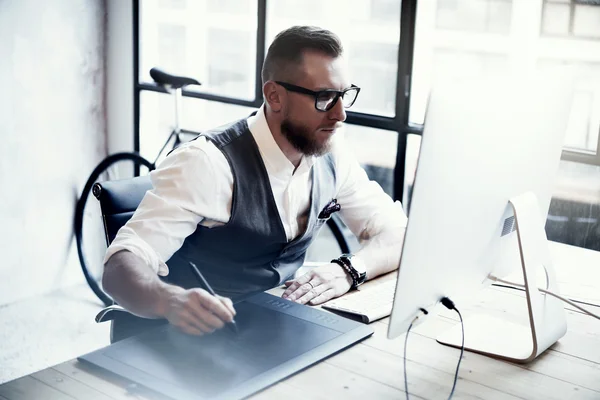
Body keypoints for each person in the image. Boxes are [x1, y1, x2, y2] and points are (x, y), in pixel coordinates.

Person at [102, 26, 407, 338]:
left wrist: (348, 270)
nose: (341, 114)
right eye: (325, 97)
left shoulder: (331, 155)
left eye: (344, 95)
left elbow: (398, 234)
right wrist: (170, 300)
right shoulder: (207, 164)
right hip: (189, 342)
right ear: (274, 95)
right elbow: (119, 267)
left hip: (279, 324)